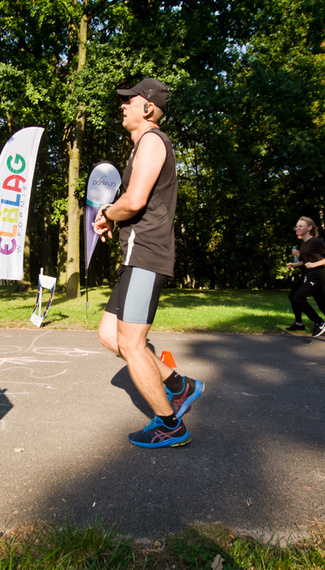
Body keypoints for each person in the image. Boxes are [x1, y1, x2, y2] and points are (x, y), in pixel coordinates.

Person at [93, 78, 203, 449]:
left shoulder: (153, 142)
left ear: (149, 108)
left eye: (130, 101)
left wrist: (108, 212)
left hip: (147, 254)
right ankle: (179, 385)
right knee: (111, 335)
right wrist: (113, 217)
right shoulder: (142, 146)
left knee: (133, 342)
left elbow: (135, 200)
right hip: (135, 254)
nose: (122, 106)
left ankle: (171, 425)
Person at [285, 216, 325, 345]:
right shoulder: (304, 242)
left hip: (318, 275)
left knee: (298, 298)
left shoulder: (316, 241)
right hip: (311, 274)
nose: (297, 228)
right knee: (324, 305)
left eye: (300, 226)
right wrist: (296, 264)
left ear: (309, 228)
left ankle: (319, 323)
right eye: (296, 226)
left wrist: (314, 265)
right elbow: (308, 260)